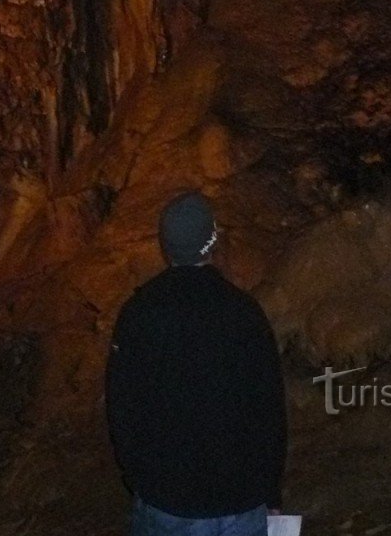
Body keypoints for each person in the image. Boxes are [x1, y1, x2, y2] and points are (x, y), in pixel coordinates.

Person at [104, 191, 286, 536]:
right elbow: (268, 410)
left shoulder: (138, 314)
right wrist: (270, 489)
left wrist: (137, 476)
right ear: (212, 242)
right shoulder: (244, 312)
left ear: (165, 246)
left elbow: (122, 407)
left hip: (168, 499)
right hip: (241, 498)